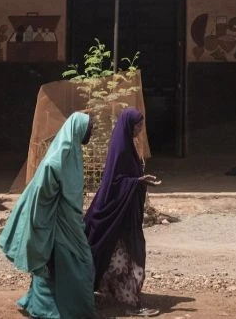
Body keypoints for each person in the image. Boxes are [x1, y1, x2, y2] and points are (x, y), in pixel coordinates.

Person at [0, 112, 96, 319]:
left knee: (61, 262)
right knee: (77, 261)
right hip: (58, 220)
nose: (92, 131)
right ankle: (65, 309)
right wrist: (47, 211)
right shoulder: (60, 155)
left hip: (69, 220)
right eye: (90, 127)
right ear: (78, 129)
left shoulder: (73, 152)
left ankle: (47, 306)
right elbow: (45, 183)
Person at [84, 108, 161, 317]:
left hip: (124, 215)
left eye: (141, 125)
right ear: (128, 126)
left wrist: (141, 181)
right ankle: (129, 302)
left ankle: (122, 296)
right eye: (137, 125)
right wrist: (137, 182)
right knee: (124, 254)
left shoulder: (129, 147)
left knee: (123, 255)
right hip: (114, 214)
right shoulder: (121, 150)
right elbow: (114, 183)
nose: (140, 129)